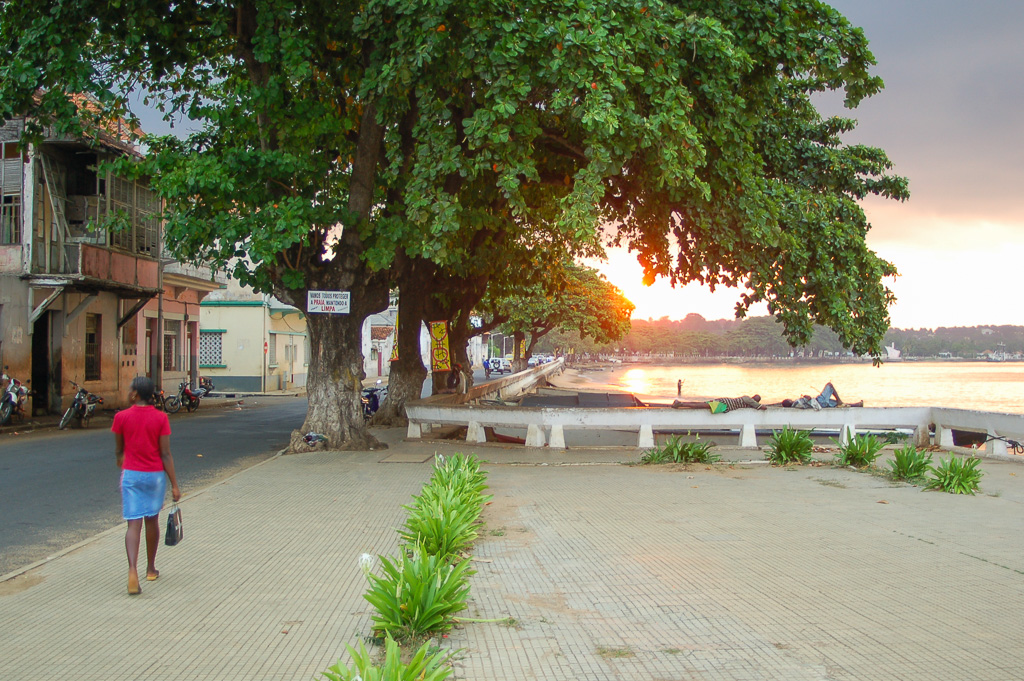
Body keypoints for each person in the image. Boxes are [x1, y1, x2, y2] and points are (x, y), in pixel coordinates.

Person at [113, 376, 180, 595]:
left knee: (133, 524)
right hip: (154, 476)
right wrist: (175, 485)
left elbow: (119, 450)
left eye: (130, 389)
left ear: (134, 394)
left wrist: (121, 458)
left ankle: (132, 570)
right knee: (151, 520)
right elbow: (166, 454)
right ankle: (150, 569)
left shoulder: (121, 417)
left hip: (131, 474)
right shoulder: (161, 418)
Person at [781, 382, 862, 409]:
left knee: (838, 405)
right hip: (819, 401)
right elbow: (808, 399)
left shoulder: (795, 406)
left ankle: (856, 405)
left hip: (820, 405)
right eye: (789, 399)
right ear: (789, 401)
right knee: (829, 385)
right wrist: (806, 397)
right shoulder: (797, 402)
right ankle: (840, 401)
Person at [671, 394, 765, 412]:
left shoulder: (748, 403)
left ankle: (681, 403)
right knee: (702, 406)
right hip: (724, 405)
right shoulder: (747, 399)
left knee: (702, 404)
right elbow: (762, 407)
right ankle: (681, 404)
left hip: (724, 402)